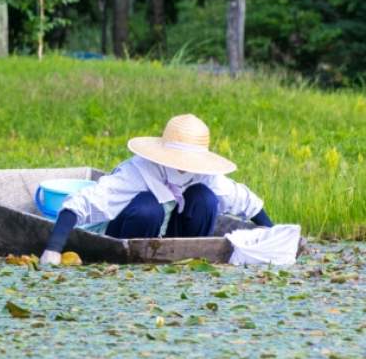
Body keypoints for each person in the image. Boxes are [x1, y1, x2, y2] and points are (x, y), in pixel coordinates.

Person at [40, 113, 274, 265]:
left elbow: (245, 201)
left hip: (175, 235)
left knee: (205, 199)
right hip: (132, 230)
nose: (184, 167)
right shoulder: (138, 172)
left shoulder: (205, 175)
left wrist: (275, 234)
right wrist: (53, 248)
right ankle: (134, 262)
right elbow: (82, 203)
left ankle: (185, 257)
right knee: (148, 208)